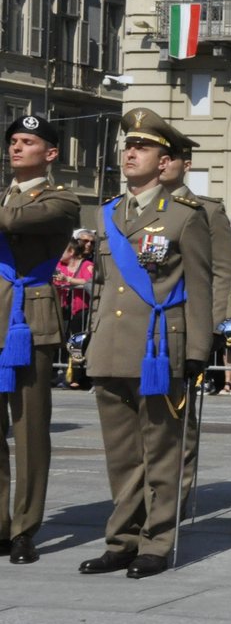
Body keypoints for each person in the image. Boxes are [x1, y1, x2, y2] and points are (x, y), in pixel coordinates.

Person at [77, 109, 212, 580]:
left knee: (161, 451)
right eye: (128, 146)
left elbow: (199, 285)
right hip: (111, 347)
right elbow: (101, 286)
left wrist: (197, 351)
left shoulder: (183, 217)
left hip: (158, 349)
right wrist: (90, 340)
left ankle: (156, 542)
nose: (131, 153)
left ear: (165, 161)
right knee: (121, 456)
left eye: (144, 148)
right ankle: (121, 540)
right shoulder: (108, 212)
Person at [0, 115, 78, 565]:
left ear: (49, 153)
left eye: (26, 142)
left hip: (30, 318)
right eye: (13, 141)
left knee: (29, 429)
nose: (16, 148)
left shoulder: (62, 200)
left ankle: (25, 528)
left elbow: (14, 222)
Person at [158, 128, 231, 513]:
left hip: (185, 326)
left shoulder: (206, 211)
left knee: (179, 418)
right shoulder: (133, 209)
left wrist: (211, 327)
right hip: (143, 329)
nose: (161, 163)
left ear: (184, 164)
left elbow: (222, 271)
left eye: (169, 157)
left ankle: (177, 496)